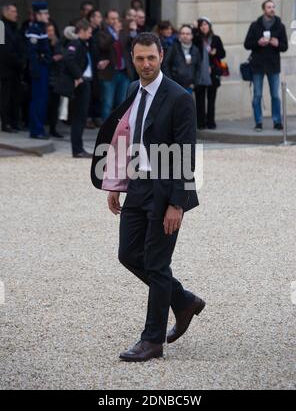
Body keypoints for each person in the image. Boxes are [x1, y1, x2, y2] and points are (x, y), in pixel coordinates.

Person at [91, 33, 205, 362]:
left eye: (151, 58)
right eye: (140, 59)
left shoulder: (180, 97)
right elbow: (126, 140)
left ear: (161, 56)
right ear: (132, 57)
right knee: (128, 254)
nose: (146, 64)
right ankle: (183, 301)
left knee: (156, 264)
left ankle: (152, 340)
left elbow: (185, 155)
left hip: (166, 189)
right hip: (138, 185)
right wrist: (115, 182)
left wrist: (177, 204)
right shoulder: (132, 89)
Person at [244, 0, 288, 131]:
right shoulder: (255, 25)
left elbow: (285, 46)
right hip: (257, 66)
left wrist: (277, 44)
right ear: (264, 9)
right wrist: (258, 42)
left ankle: (277, 121)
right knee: (257, 95)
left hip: (274, 66)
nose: (272, 9)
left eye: (273, 7)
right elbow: (247, 44)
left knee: (275, 95)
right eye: (269, 7)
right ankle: (258, 122)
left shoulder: (280, 26)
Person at [95, 10, 135, 121]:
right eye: (112, 19)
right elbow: (103, 46)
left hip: (124, 72)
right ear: (107, 20)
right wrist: (115, 34)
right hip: (109, 73)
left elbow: (132, 44)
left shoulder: (124, 32)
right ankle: (106, 131)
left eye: (117, 18)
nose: (115, 21)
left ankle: (118, 129)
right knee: (108, 102)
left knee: (122, 102)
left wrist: (133, 31)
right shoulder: (102, 33)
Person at [62, 19, 93, 158]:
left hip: (85, 82)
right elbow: (68, 59)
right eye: (89, 32)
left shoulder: (83, 44)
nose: (91, 35)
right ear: (81, 31)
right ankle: (77, 149)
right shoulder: (75, 43)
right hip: (80, 83)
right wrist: (79, 76)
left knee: (81, 117)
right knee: (78, 118)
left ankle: (79, 148)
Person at [25, 1, 52, 139]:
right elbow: (33, 53)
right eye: (45, 13)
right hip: (39, 69)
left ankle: (39, 128)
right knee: (38, 100)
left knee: (42, 99)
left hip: (44, 68)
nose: (47, 15)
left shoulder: (41, 28)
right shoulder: (34, 29)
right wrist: (36, 68)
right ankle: (36, 130)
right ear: (38, 15)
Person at [193, 17, 226, 130]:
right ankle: (200, 123)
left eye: (205, 24)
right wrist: (194, 27)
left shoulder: (216, 39)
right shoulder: (196, 39)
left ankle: (211, 122)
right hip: (199, 73)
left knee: (211, 100)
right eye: (201, 25)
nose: (204, 27)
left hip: (213, 73)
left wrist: (215, 52)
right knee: (199, 100)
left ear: (210, 26)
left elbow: (223, 54)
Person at [0, 3, 25, 132]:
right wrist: (17, 61)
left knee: (16, 97)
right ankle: (6, 123)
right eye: (13, 11)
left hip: (16, 68)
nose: (16, 14)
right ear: (5, 13)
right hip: (6, 69)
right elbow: (3, 50)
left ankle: (15, 122)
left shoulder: (15, 28)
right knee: (6, 97)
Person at [162, 24, 201, 93]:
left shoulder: (195, 50)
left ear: (192, 36)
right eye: (182, 33)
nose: (185, 36)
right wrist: (170, 82)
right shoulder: (173, 48)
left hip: (189, 87)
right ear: (179, 35)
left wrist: (195, 83)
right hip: (175, 86)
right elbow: (165, 65)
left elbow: (198, 67)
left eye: (187, 34)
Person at [46, 22, 64, 139]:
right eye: (48, 31)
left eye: (52, 30)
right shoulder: (43, 43)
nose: (50, 33)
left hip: (56, 79)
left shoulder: (58, 43)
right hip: (45, 77)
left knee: (55, 105)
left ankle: (53, 128)